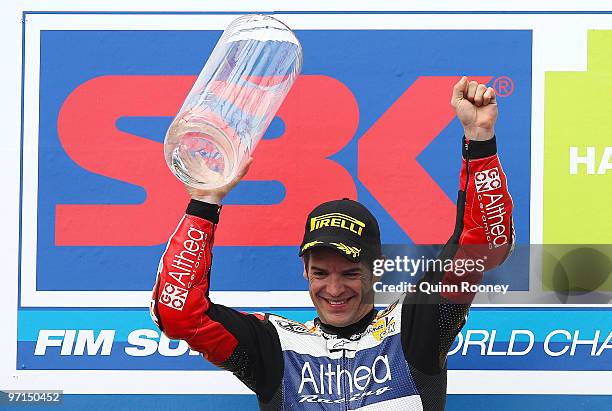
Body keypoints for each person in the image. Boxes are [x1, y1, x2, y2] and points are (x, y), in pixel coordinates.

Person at [150, 76, 514, 410]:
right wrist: (204, 204)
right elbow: (179, 314)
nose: (334, 289)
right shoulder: (275, 347)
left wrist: (480, 142)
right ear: (305, 271)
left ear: (377, 271)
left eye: (351, 272)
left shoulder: (416, 325)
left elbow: (481, 247)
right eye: (321, 272)